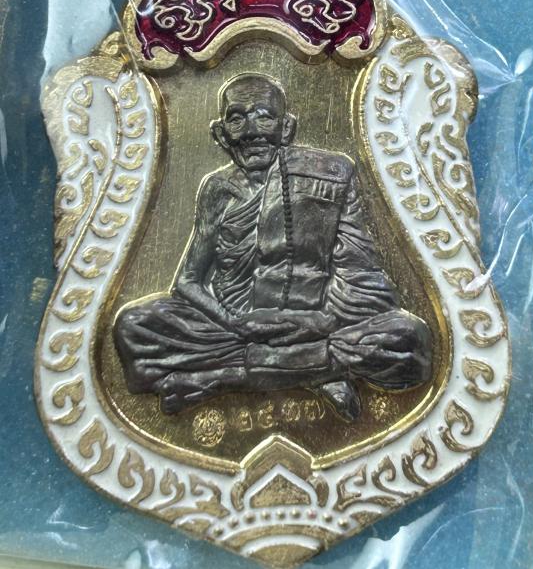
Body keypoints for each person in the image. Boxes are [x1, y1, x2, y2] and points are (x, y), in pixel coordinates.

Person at [115, 73, 432, 420]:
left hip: (314, 324)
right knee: (134, 326)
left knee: (408, 339)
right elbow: (188, 281)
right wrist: (234, 321)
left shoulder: (328, 177)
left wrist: (314, 322)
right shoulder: (217, 189)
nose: (252, 131)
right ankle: (321, 370)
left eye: (265, 116)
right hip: (232, 328)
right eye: (237, 118)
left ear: (287, 128)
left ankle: (219, 379)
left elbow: (365, 282)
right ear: (221, 133)